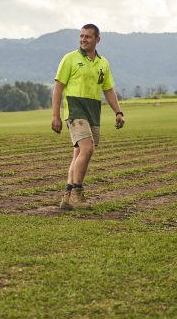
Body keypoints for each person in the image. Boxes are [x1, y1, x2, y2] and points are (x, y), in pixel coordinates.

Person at [51, 24, 124, 210]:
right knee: (87, 148)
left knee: (79, 153)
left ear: (97, 40)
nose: (83, 39)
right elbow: (58, 88)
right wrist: (56, 116)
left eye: (88, 37)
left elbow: (108, 90)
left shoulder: (103, 63)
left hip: (93, 111)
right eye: (81, 36)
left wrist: (118, 112)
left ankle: (67, 196)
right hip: (75, 110)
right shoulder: (70, 59)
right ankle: (77, 193)